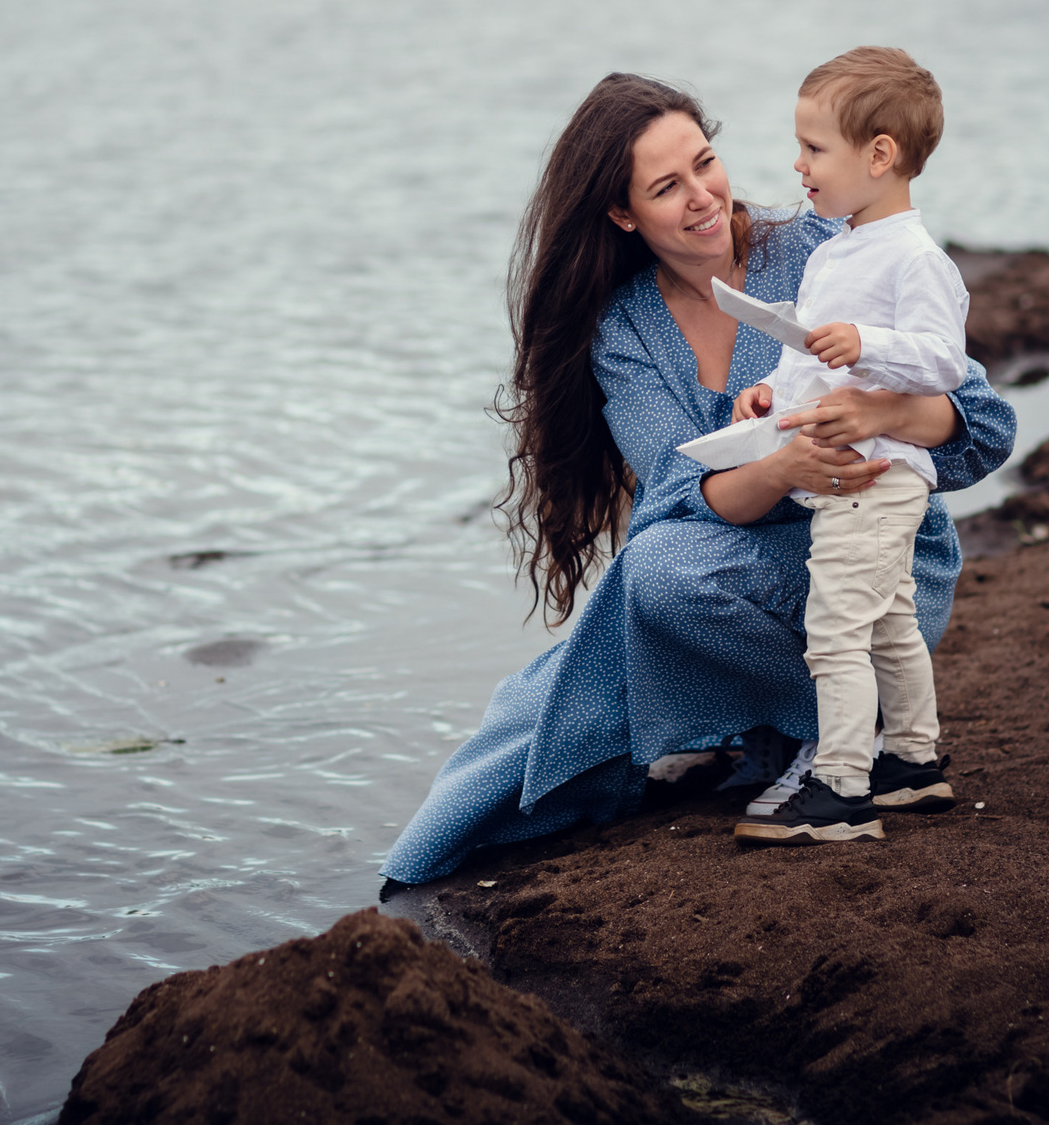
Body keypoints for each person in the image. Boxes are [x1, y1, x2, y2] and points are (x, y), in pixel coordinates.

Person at [380, 73, 1014, 889]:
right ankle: (779, 729)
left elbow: (980, 422)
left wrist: (873, 415)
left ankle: (835, 741)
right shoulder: (627, 331)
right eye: (666, 187)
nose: (702, 197)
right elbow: (682, 498)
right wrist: (783, 465)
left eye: (705, 164)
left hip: (879, 558)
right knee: (566, 682)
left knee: (656, 589)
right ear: (622, 213)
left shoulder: (825, 245)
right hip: (738, 570)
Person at [721, 47, 969, 845]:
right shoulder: (836, 250)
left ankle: (841, 786)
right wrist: (773, 394)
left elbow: (943, 362)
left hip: (880, 476)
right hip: (853, 479)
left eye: (814, 149)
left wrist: (864, 340)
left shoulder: (916, 258)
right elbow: (813, 361)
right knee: (890, 621)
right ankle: (915, 762)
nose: (797, 165)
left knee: (835, 632)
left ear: (880, 155)